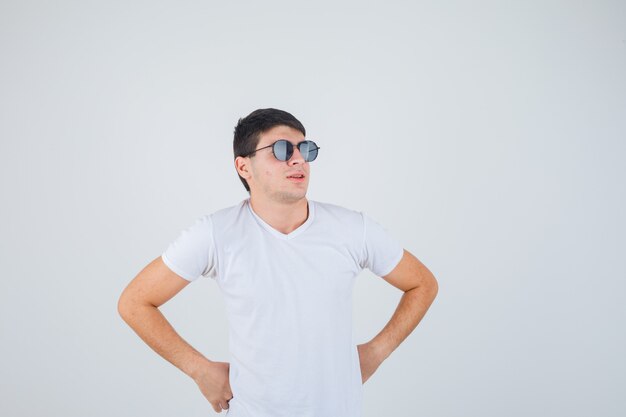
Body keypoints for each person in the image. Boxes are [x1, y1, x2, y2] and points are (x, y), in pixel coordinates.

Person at [117, 108, 439, 417]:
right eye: (282, 149)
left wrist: (375, 353)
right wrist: (199, 369)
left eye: (306, 149)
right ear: (244, 167)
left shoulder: (352, 229)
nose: (299, 159)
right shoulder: (216, 234)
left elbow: (422, 283)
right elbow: (134, 302)